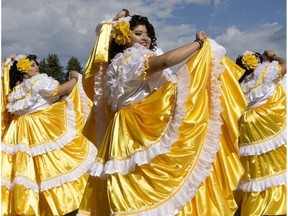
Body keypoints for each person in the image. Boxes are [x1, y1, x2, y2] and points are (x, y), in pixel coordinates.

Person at [78, 9, 247, 216]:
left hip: (124, 130)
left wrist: (115, 18)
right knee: (147, 185)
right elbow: (166, 61)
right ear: (124, 37)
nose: (145, 38)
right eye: (138, 33)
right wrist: (199, 44)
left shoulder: (114, 65)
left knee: (133, 187)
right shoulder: (132, 59)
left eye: (147, 33)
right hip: (138, 128)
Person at [1, 54, 97, 216]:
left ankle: (40, 206)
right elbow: (61, 90)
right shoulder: (38, 82)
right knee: (54, 164)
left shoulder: (15, 91)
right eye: (31, 65)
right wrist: (75, 79)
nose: (36, 67)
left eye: (35, 64)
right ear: (24, 72)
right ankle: (66, 202)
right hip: (41, 128)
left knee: (32, 171)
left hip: (21, 131)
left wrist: (7, 62)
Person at [234, 50, 286, 215]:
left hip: (247, 122)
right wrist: (273, 56)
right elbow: (285, 65)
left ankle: (256, 205)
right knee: (275, 161)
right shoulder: (265, 72)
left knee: (254, 164)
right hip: (264, 120)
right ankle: (275, 204)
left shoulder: (241, 84)